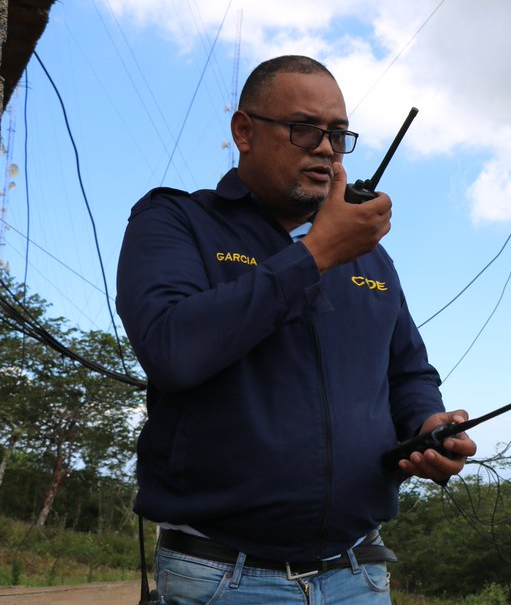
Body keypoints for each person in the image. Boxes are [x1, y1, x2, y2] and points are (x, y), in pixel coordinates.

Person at [116, 54, 475, 604]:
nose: (326, 148)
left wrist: (428, 422)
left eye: (337, 134)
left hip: (358, 572)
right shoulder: (177, 220)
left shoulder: (370, 258)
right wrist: (316, 254)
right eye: (304, 128)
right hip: (222, 576)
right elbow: (172, 351)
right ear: (244, 131)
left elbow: (408, 372)